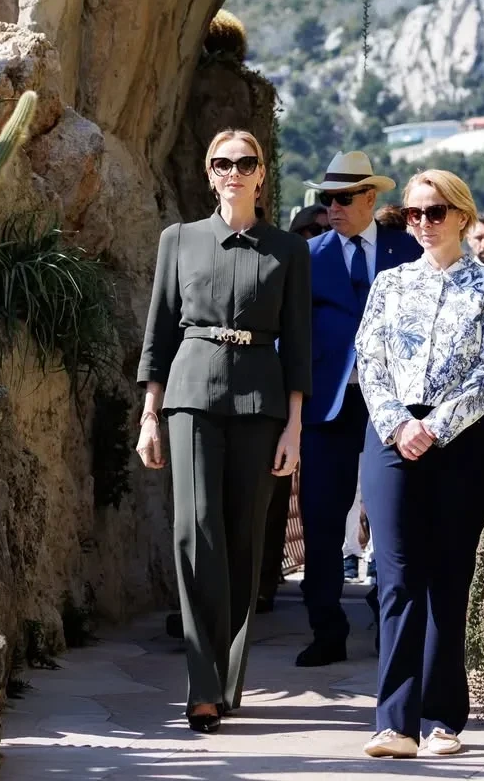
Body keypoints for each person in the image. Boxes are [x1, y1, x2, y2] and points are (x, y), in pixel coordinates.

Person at [135, 129, 311, 733]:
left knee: (243, 539)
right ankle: (202, 684)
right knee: (194, 531)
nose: (233, 171)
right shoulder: (178, 240)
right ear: (209, 174)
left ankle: (227, 677)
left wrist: (294, 429)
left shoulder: (289, 250)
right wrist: (149, 415)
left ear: (261, 174)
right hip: (190, 396)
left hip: (261, 403)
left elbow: (300, 346)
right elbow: (159, 332)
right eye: (222, 163)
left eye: (245, 162)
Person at [356, 169, 484, 759]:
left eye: (435, 211)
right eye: (413, 213)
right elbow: (369, 360)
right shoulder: (390, 284)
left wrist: (437, 426)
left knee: (448, 579)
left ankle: (443, 720)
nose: (423, 222)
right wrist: (401, 425)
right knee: (397, 579)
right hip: (392, 439)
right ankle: (394, 724)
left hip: (461, 443)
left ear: (462, 217)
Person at [296, 150, 422, 667]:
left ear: (371, 197)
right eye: (327, 199)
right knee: (321, 519)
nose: (334, 208)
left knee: (394, 517)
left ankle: (387, 619)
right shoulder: (308, 256)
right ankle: (326, 630)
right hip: (328, 405)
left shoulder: (407, 250)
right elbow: (290, 333)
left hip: (390, 405)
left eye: (345, 198)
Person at [257, 203, 331, 614]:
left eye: (324, 230)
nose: (317, 237)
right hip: (273, 389)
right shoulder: (279, 265)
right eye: (310, 231)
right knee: (270, 495)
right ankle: (257, 584)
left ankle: (267, 581)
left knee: (296, 497)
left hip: (322, 395)